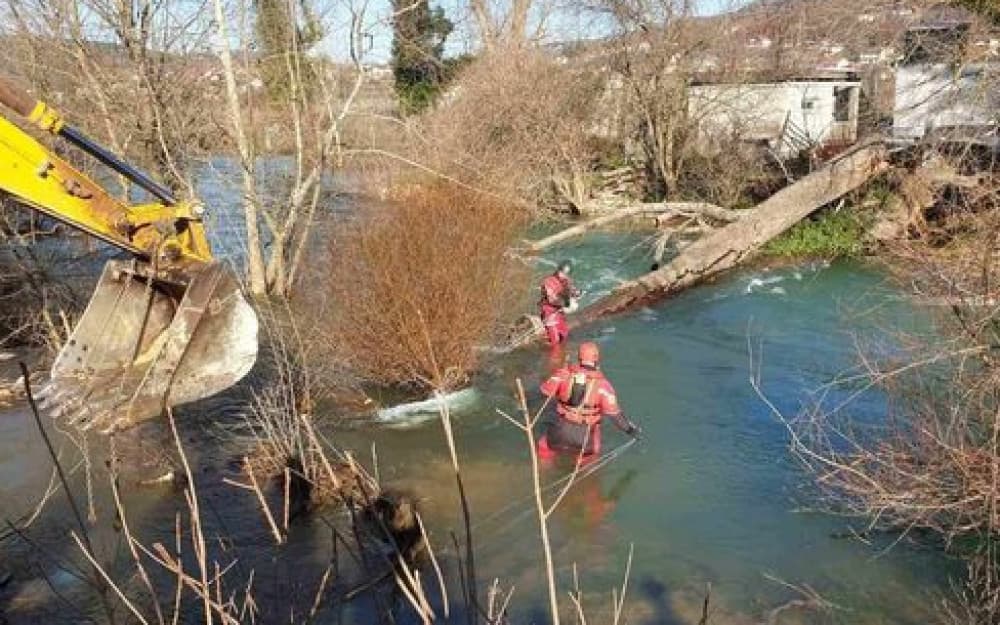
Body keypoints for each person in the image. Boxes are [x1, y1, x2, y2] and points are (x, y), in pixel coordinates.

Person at [537, 342, 640, 459]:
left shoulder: (562, 374)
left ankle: (542, 469)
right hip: (584, 438)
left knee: (545, 447)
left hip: (559, 432)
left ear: (579, 357)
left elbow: (543, 392)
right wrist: (631, 431)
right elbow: (615, 416)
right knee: (590, 456)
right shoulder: (604, 386)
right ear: (596, 358)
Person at [538, 260, 580, 346]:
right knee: (555, 340)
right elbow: (552, 299)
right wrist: (566, 303)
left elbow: (572, 290)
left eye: (565, 274)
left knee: (564, 334)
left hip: (560, 311)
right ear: (558, 270)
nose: (563, 275)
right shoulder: (549, 281)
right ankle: (553, 356)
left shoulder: (567, 281)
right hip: (549, 311)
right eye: (562, 272)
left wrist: (576, 294)